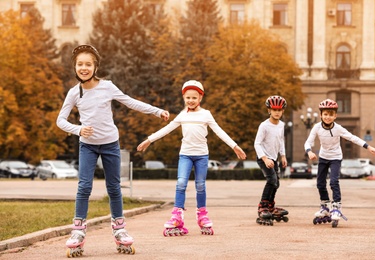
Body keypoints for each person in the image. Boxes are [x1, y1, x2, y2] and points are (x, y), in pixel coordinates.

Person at [57, 44, 170, 256]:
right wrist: (79, 130)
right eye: (80, 64)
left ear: (95, 66)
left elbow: (130, 102)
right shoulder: (74, 93)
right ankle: (78, 230)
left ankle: (119, 228)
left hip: (110, 144)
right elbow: (60, 121)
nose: (84, 68)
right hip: (87, 146)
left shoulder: (107, 86)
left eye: (88, 64)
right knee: (84, 186)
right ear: (75, 67)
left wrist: (156, 111)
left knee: (114, 187)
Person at [137, 80, 246, 236]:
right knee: (181, 183)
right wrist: (149, 140)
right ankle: (177, 216)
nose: (191, 100)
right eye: (188, 97)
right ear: (184, 98)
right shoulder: (182, 115)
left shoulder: (206, 114)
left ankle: (202, 215)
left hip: (201, 156)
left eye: (194, 98)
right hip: (185, 155)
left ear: (200, 98)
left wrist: (234, 146)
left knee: (200, 185)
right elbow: (167, 129)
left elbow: (219, 131)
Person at [304, 99, 375, 228]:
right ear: (321, 115)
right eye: (325, 114)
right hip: (323, 157)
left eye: (331, 114)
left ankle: (336, 207)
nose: (328, 117)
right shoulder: (316, 127)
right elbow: (308, 142)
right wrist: (309, 151)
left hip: (336, 158)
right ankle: (325, 207)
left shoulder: (338, 128)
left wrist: (368, 147)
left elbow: (352, 137)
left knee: (333, 182)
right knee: (320, 183)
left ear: (335, 116)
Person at [254, 95, 289, 226]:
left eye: (279, 110)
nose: (277, 112)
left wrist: (283, 156)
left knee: (276, 183)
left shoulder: (281, 125)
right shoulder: (264, 126)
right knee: (272, 180)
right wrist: (265, 158)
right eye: (274, 110)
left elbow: (281, 141)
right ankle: (262, 206)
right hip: (263, 158)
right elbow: (257, 144)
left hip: (274, 158)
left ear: (283, 111)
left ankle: (270, 205)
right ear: (269, 110)